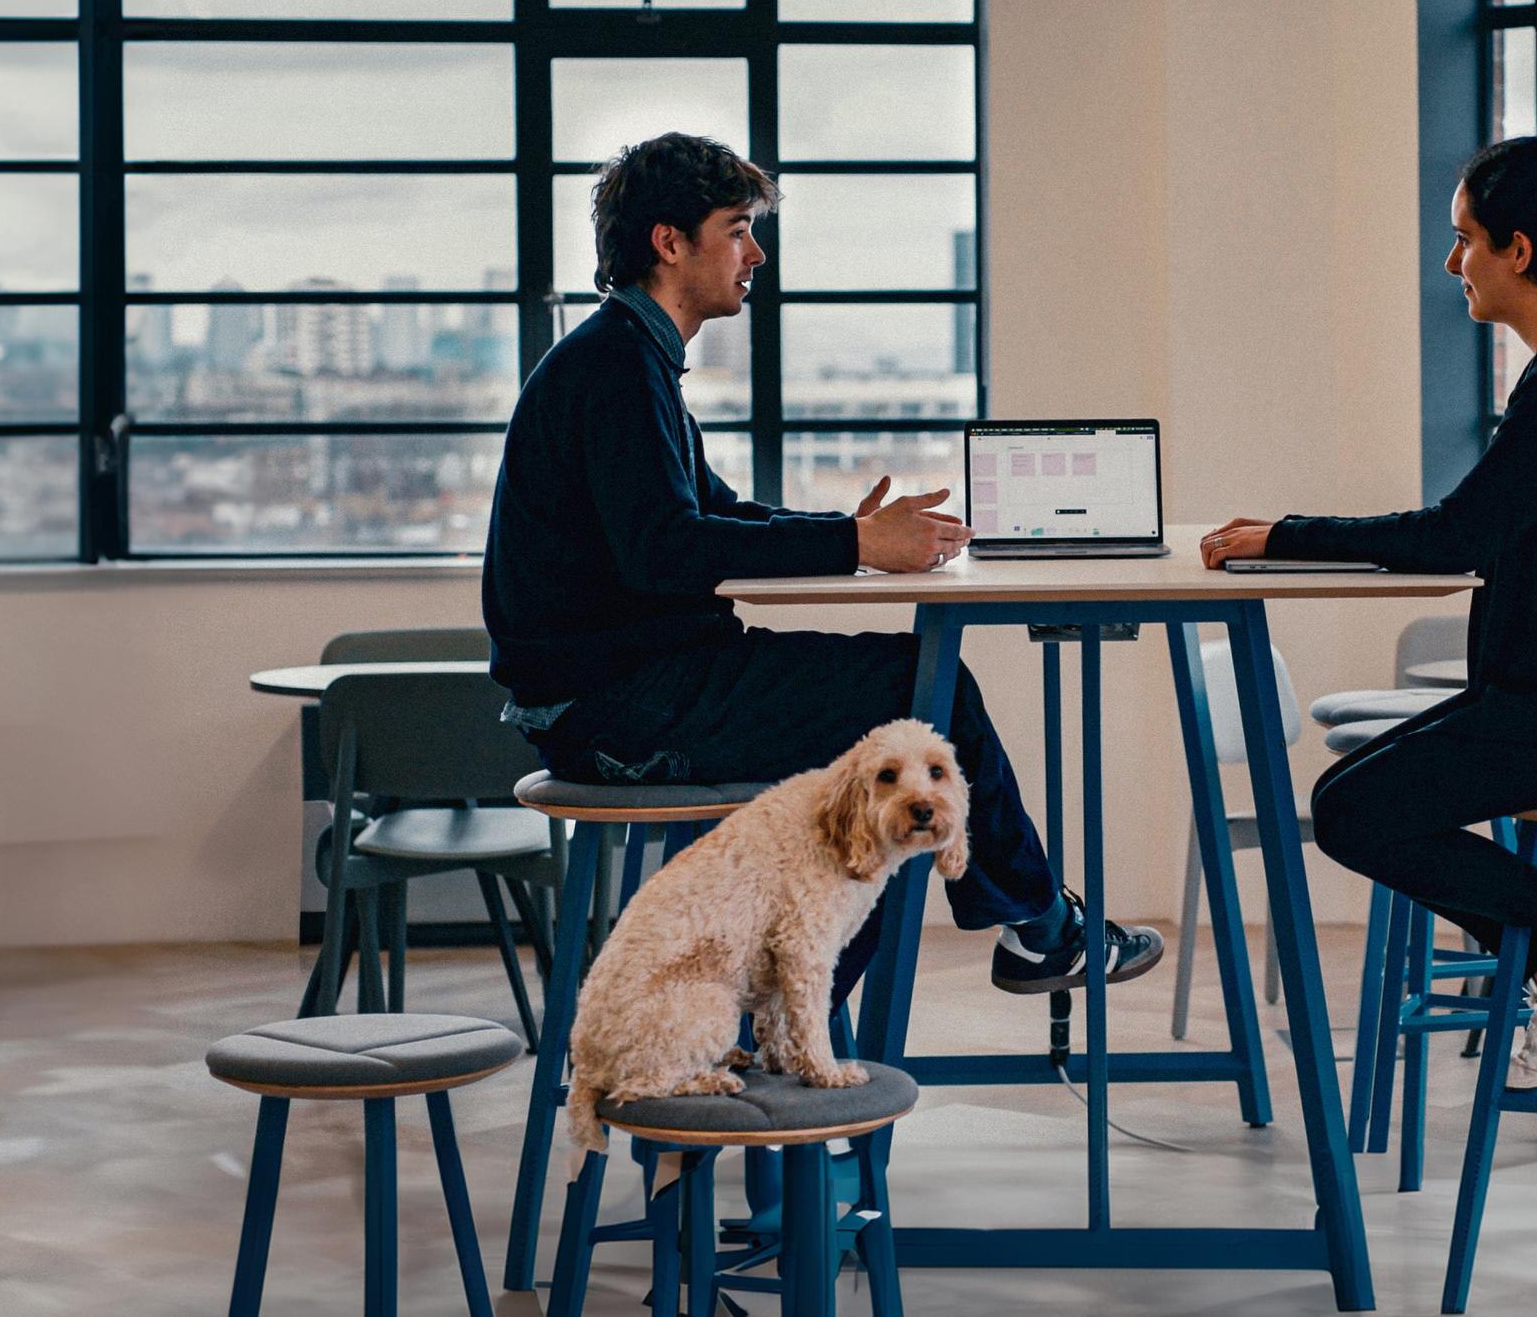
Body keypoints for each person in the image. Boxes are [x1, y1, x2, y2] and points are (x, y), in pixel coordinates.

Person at [483, 131, 1162, 1002]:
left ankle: (801, 1015)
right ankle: (1039, 931)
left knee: (901, 726)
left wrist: (857, 531)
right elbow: (666, 550)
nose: (754, 253)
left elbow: (716, 513)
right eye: (737, 229)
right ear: (669, 242)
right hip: (616, 707)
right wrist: (854, 546)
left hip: (624, 686)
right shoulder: (617, 368)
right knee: (926, 697)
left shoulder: (627, 356)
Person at [1200, 135, 1537, 1089]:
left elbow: (1457, 533)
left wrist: (1283, 534)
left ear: (1520, 252)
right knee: (1350, 802)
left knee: (1357, 812)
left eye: (1465, 241)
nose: (1452, 262)